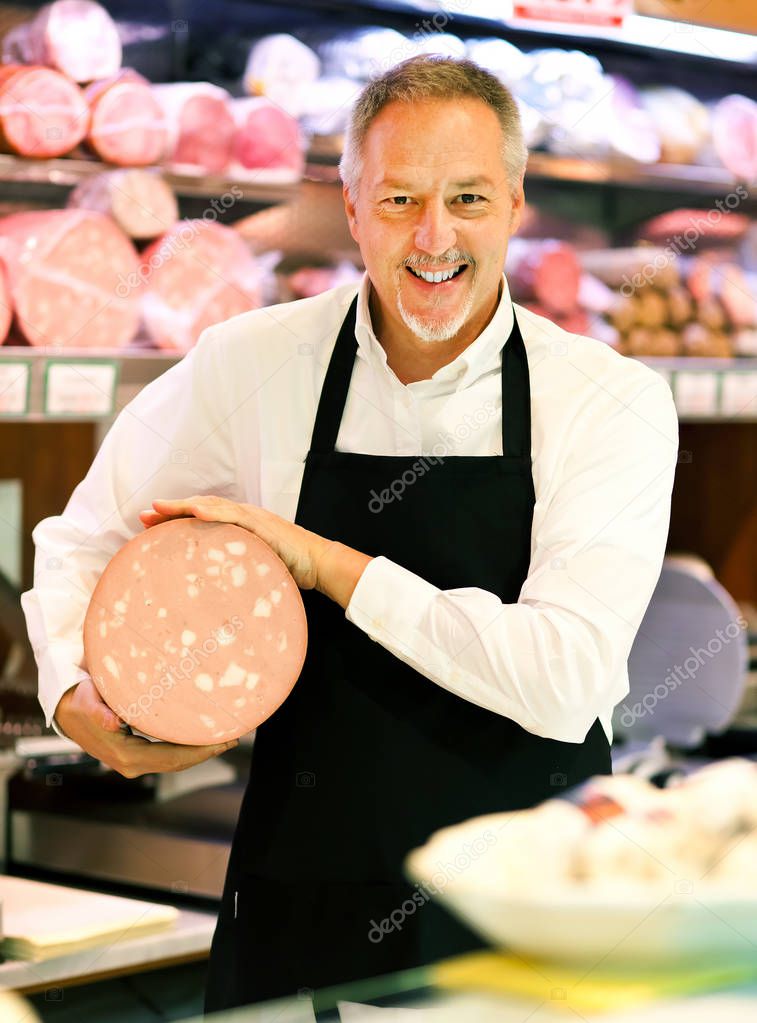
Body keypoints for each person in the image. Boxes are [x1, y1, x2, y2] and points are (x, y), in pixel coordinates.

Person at [22, 56, 678, 1010]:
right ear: (352, 204)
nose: (434, 236)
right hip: (297, 916)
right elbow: (84, 535)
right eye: (401, 197)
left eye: (467, 198)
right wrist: (70, 692)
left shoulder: (607, 400)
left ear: (515, 201)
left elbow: (563, 677)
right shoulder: (256, 360)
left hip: (526, 944)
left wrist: (329, 566)